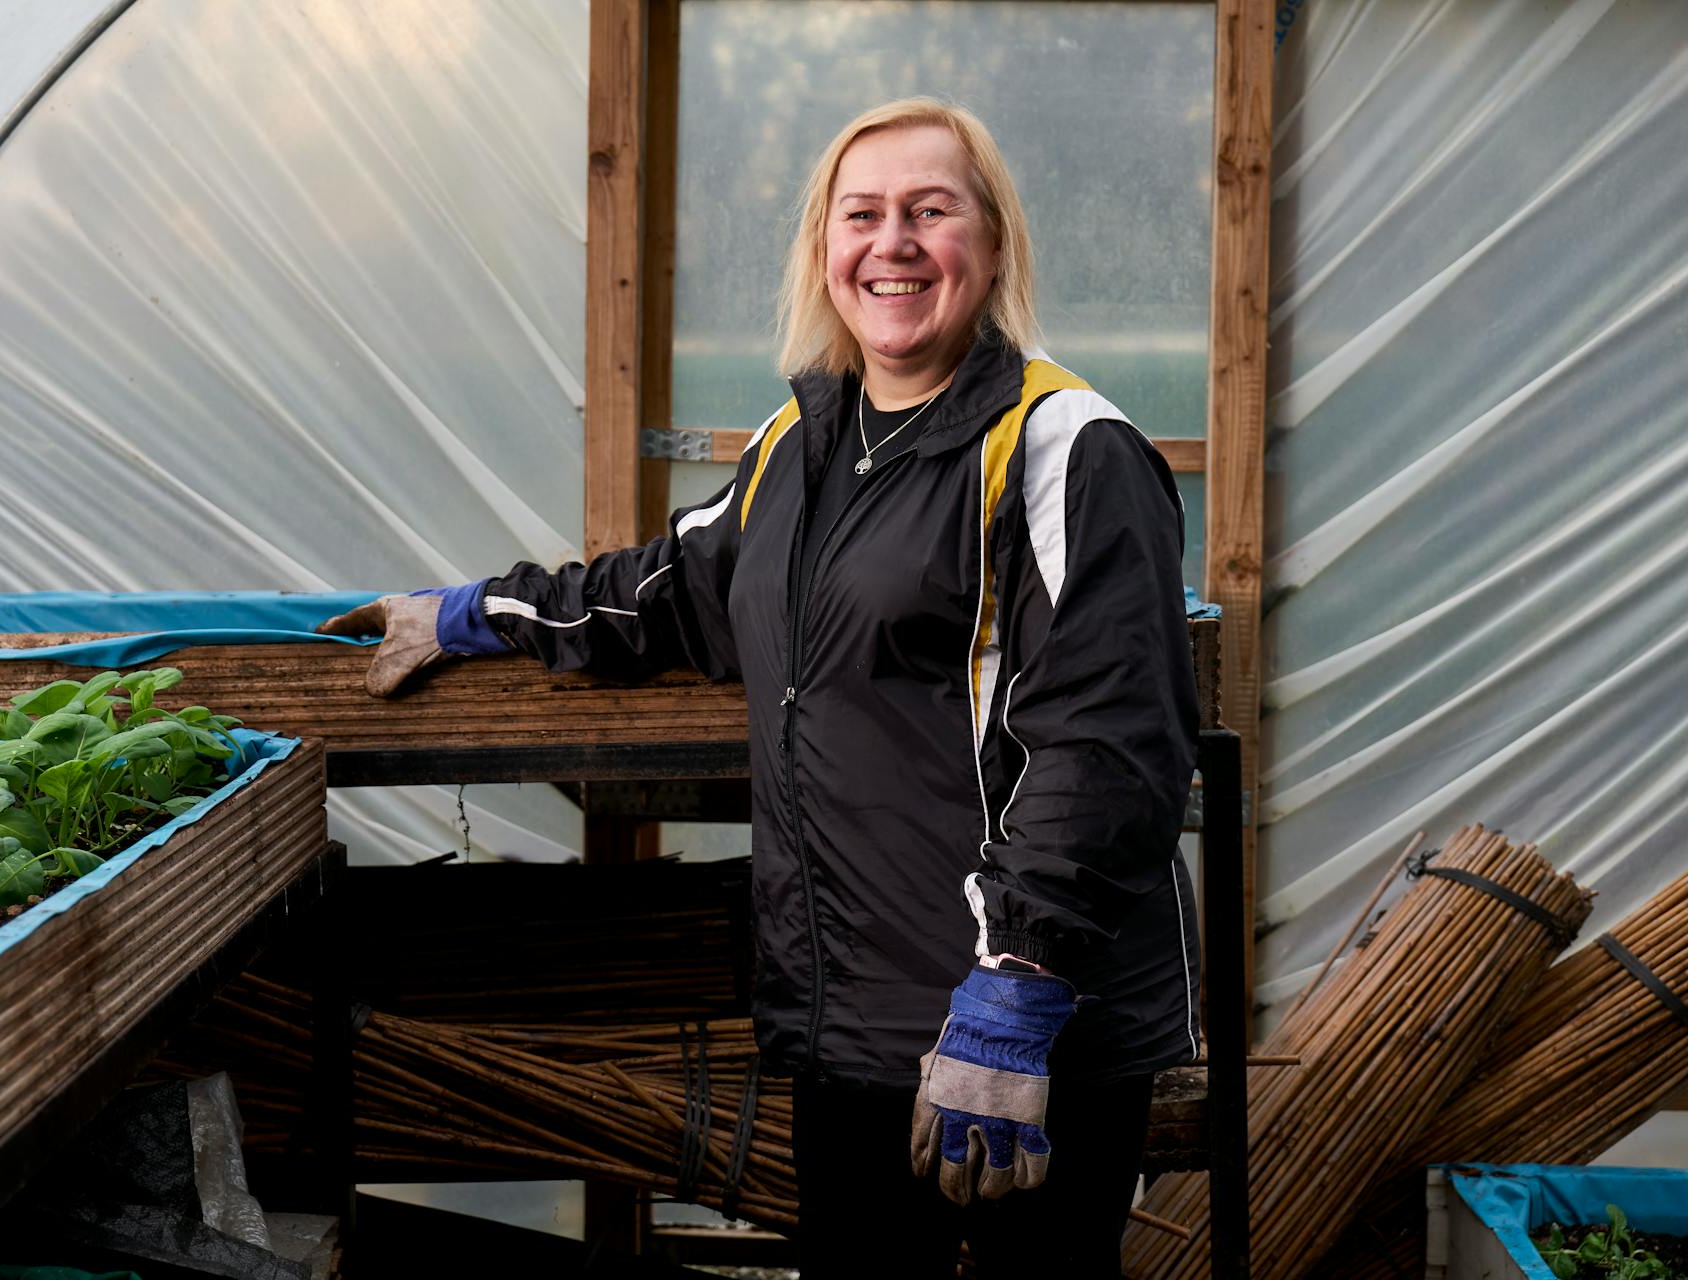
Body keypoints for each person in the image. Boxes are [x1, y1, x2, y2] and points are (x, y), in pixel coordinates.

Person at [320, 97, 1199, 1277]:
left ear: (990, 246)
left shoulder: (1064, 451)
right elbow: (668, 591)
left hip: (1016, 1033)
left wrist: (1020, 989)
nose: (892, 244)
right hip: (849, 1025)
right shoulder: (801, 446)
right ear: (824, 249)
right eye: (863, 214)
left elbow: (1109, 750)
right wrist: (480, 613)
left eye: (931, 212)